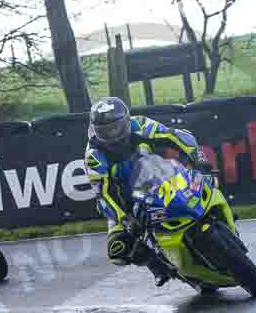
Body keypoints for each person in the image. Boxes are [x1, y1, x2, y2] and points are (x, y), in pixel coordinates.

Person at [84, 97, 211, 287]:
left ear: (126, 121)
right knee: (117, 250)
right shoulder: (93, 156)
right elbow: (104, 196)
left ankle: (214, 214)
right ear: (95, 130)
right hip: (125, 202)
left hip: (160, 176)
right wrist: (125, 219)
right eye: (105, 131)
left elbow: (176, 135)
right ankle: (158, 266)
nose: (112, 134)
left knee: (205, 179)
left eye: (116, 127)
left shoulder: (140, 124)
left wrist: (198, 157)